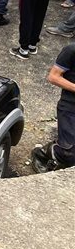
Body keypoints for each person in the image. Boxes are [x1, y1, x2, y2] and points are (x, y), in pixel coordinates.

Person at [30, 43, 75, 173]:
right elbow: (53, 77)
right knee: (71, 154)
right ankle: (44, 153)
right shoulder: (70, 51)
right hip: (70, 107)